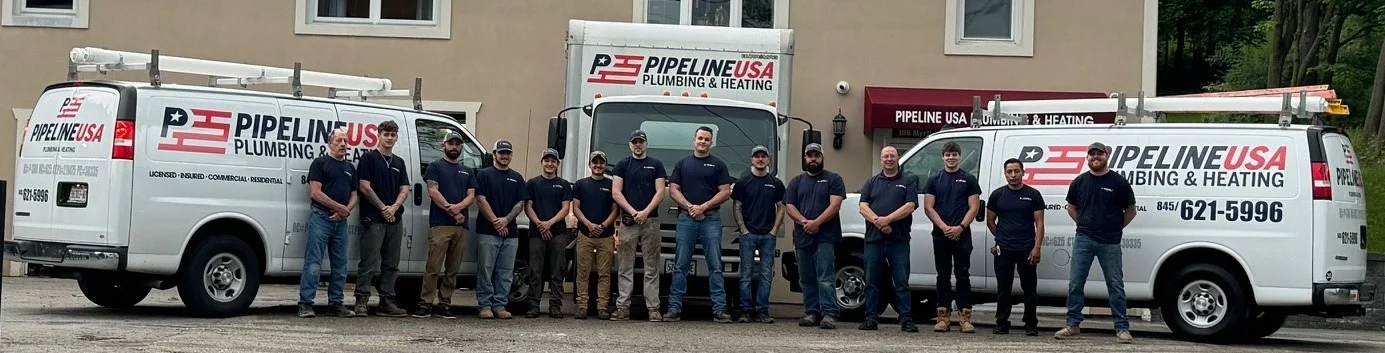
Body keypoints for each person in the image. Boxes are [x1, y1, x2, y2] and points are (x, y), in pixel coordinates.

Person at [1055, 142, 1137, 344]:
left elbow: (1131, 211)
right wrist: (1084, 225)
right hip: (1084, 239)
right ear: (1087, 158)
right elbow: (1071, 207)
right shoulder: (1079, 182)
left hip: (1110, 241)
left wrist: (1114, 228)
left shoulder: (1119, 182)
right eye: (1091, 154)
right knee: (1076, 283)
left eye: (1099, 154)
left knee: (1115, 285)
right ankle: (1072, 324)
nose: (1095, 157)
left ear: (1106, 155)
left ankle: (1122, 328)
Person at [664, 126, 734, 323]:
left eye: (707, 139)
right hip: (686, 219)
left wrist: (703, 207)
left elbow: (725, 192)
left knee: (715, 265)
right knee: (680, 265)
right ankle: (674, 309)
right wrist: (690, 207)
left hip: (711, 220)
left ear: (711, 143)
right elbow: (674, 190)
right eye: (700, 138)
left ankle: (720, 310)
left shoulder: (718, 165)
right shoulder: (682, 164)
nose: (703, 142)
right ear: (694, 140)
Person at [413, 130, 477, 319]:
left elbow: (471, 195)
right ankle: (425, 303)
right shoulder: (435, 167)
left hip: (461, 227)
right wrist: (453, 210)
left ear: (461, 147)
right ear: (444, 146)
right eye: (451, 143)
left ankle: (445, 303)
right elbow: (433, 191)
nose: (454, 147)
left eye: (457, 144)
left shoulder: (468, 171)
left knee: (452, 269)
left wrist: (458, 209)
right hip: (440, 225)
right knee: (433, 267)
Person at [783, 143, 846, 330]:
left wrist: (816, 223)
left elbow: (835, 205)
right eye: (809, 155)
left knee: (825, 276)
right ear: (805, 158)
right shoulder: (796, 182)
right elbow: (789, 206)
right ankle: (812, 312)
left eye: (816, 155)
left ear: (822, 157)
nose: (813, 159)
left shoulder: (833, 179)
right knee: (806, 277)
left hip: (825, 237)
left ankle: (829, 313)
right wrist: (805, 223)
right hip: (803, 238)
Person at [857, 146, 919, 332]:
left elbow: (910, 206)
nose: (889, 159)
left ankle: (906, 319)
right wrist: (878, 222)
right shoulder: (871, 182)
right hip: (874, 240)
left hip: (898, 240)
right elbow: (862, 206)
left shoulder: (907, 182)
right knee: (872, 281)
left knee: (901, 281)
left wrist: (888, 219)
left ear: (897, 158)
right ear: (881, 160)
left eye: (892, 156)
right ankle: (871, 319)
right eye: (886, 156)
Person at [298, 127, 359, 318]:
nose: (343, 144)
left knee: (340, 265)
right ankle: (305, 304)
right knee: (313, 263)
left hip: (340, 222)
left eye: (345, 141)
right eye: (339, 140)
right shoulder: (320, 163)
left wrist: (346, 210)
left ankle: (336, 304)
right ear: (329, 142)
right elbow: (315, 192)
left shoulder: (350, 168)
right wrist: (339, 208)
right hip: (321, 218)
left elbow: (355, 194)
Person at [352, 120, 410, 318]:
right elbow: (364, 186)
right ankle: (361, 301)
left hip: (394, 219)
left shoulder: (399, 162)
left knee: (392, 263)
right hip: (374, 218)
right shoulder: (369, 159)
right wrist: (383, 207)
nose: (390, 138)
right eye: (386, 134)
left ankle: (387, 301)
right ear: (379, 135)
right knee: (368, 262)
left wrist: (393, 208)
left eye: (393, 135)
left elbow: (405, 188)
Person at [922, 141, 982, 333]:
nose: (951, 157)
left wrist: (960, 227)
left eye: (955, 154)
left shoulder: (969, 179)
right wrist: (944, 227)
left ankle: (965, 319)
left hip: (962, 235)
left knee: (963, 276)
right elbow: (928, 207)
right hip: (940, 235)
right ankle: (943, 318)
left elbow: (974, 206)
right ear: (943, 157)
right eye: (948, 154)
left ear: (959, 156)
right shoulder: (934, 179)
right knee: (943, 276)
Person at [610, 130, 668, 322]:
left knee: (651, 266)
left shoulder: (656, 165)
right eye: (635, 142)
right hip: (628, 222)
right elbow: (616, 192)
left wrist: (645, 212)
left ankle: (653, 308)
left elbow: (660, 192)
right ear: (630, 145)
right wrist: (634, 212)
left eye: (641, 142)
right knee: (625, 266)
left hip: (650, 222)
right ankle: (623, 307)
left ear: (646, 144)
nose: (638, 145)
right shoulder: (621, 165)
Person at [986, 158, 1045, 336]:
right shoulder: (997, 195)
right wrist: (1001, 239)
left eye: (1016, 171)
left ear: (1023, 172)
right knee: (1004, 289)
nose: (1013, 175)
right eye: (1009, 172)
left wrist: (1037, 248)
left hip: (1027, 249)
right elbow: (990, 221)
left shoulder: (1033, 195)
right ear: (1005, 174)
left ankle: (1031, 325)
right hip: (1004, 250)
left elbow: (1040, 224)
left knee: (1030, 290)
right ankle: (1002, 323)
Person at [475, 139, 529, 320]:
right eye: (501, 152)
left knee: (505, 272)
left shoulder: (517, 177)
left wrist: (505, 220)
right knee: (486, 270)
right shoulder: (483, 175)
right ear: (494, 154)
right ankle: (484, 306)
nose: (504, 156)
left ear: (511, 155)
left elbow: (520, 203)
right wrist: (495, 221)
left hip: (511, 233)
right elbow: (480, 199)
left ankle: (500, 305)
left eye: (508, 153)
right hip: (487, 230)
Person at [731, 145, 785, 324]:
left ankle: (762, 311)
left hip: (767, 236)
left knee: (766, 274)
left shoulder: (775, 183)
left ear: (768, 160)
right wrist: (743, 229)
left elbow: (781, 207)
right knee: (745, 274)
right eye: (757, 156)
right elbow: (737, 206)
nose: (760, 159)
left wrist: (774, 231)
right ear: (752, 160)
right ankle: (746, 311)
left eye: (763, 156)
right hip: (748, 235)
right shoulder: (743, 182)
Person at [523, 148, 574, 318]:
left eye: (553, 161)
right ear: (542, 162)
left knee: (557, 270)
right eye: (547, 160)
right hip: (536, 234)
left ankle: (555, 306)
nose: (549, 164)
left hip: (558, 233)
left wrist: (550, 223)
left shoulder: (564, 184)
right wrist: (539, 224)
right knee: (535, 270)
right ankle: (533, 305)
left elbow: (566, 208)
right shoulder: (532, 183)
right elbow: (528, 206)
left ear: (557, 164)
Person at [572, 151, 618, 320]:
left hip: (606, 236)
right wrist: (589, 224)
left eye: (601, 163)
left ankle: (602, 307)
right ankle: (582, 306)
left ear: (605, 165)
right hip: (585, 235)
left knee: (604, 273)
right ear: (590, 165)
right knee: (583, 271)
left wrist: (603, 225)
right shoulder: (580, 184)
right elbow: (576, 208)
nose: (598, 166)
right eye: (595, 163)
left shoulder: (612, 184)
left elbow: (615, 209)